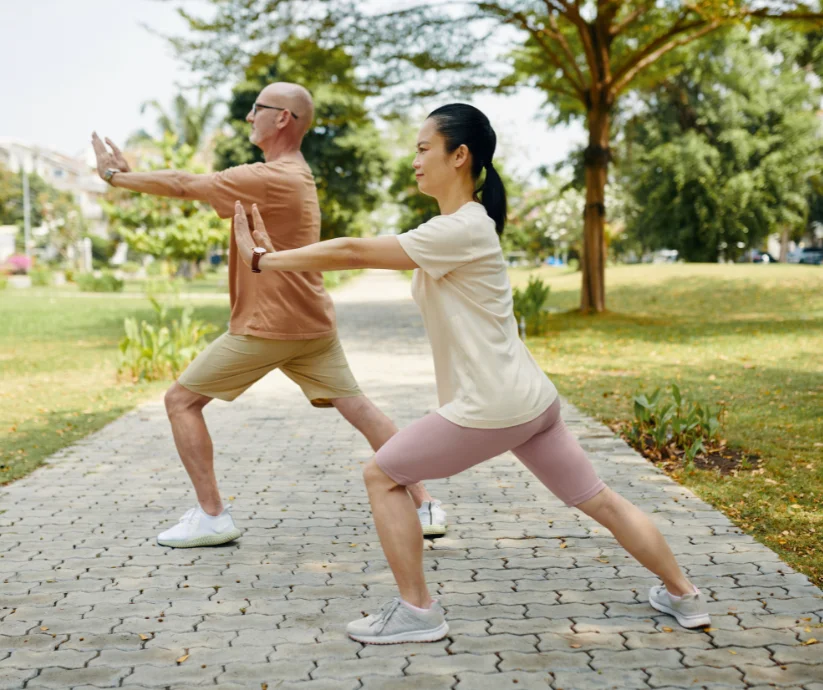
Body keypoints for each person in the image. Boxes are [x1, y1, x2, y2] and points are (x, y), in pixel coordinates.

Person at [230, 103, 712, 644]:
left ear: (459, 156)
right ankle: (684, 595)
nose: (413, 160)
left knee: (382, 476)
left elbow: (352, 250)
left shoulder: (461, 228)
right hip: (531, 399)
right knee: (598, 497)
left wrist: (264, 260)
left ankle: (417, 611)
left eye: (422, 148)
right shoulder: (461, 226)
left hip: (495, 406)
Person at [89, 82, 447, 548]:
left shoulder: (271, 176)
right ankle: (424, 505)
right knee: (358, 407)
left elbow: (183, 184)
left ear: (283, 119)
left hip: (269, 325)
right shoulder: (295, 174)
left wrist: (116, 177)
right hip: (312, 323)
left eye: (257, 109)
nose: (248, 117)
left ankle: (212, 515)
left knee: (180, 402)